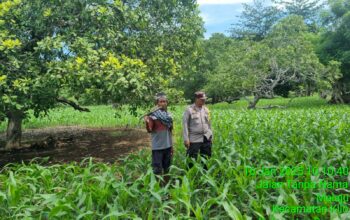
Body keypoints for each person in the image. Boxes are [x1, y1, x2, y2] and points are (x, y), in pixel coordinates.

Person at [144, 92, 173, 185]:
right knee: (157, 169)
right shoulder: (153, 116)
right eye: (161, 101)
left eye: (165, 101)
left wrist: (172, 146)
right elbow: (149, 129)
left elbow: (170, 132)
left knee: (167, 168)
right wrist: (147, 121)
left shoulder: (168, 116)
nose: (163, 103)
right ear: (157, 103)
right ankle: (159, 188)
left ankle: (166, 186)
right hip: (157, 147)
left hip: (168, 146)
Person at [182, 91, 213, 169]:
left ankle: (205, 175)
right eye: (202, 99)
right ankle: (190, 175)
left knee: (206, 158)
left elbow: (209, 123)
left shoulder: (206, 109)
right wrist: (186, 139)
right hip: (194, 138)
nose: (204, 101)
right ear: (196, 99)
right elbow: (185, 124)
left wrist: (211, 136)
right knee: (191, 159)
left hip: (206, 137)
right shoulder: (189, 110)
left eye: (204, 99)